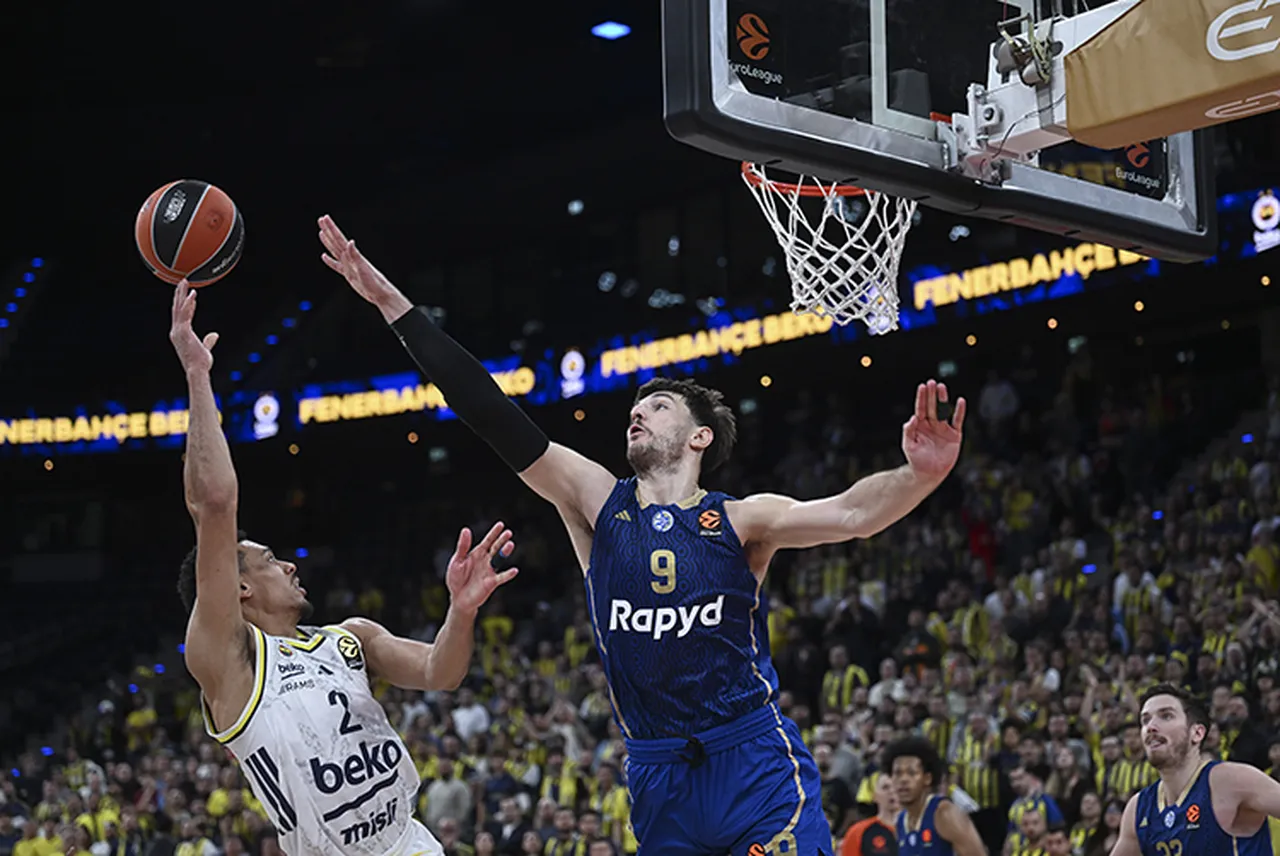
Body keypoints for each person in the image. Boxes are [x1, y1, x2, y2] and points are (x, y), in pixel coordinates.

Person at [319, 216, 967, 856]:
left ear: (699, 436)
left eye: (657, 406)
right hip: (658, 775)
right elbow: (492, 413)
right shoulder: (599, 504)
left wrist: (919, 476)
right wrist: (392, 305)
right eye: (636, 405)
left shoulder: (741, 520)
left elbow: (854, 513)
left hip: (750, 760)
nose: (637, 410)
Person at [168, 279, 520, 855]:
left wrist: (461, 611)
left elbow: (441, 672)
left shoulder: (349, 639)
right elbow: (213, 505)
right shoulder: (227, 663)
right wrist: (197, 376)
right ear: (239, 589)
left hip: (410, 841)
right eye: (267, 561)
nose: (287, 563)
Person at [1110, 684, 1280, 855]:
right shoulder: (1138, 808)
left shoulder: (1230, 780)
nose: (1151, 727)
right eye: (1145, 720)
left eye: (1166, 716)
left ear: (1197, 733)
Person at [884, 737, 985, 856]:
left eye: (911, 773)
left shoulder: (944, 813)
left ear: (927, 778)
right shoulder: (900, 822)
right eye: (897, 773)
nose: (903, 780)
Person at [840, 772, 899, 856]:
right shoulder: (858, 832)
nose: (892, 791)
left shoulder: (919, 828)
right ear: (874, 796)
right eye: (885, 787)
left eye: (896, 786)